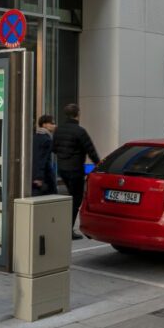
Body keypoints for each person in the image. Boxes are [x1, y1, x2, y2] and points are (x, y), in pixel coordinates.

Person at [53, 103, 100, 240]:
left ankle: (64, 226)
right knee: (76, 199)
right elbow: (90, 149)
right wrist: (98, 164)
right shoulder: (80, 131)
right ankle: (68, 229)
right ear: (77, 114)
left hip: (62, 169)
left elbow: (54, 148)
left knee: (69, 198)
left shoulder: (59, 130)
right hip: (75, 169)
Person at [32, 115, 57, 196]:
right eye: (52, 123)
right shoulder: (47, 140)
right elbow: (42, 159)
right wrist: (39, 177)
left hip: (34, 173)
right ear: (44, 125)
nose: (54, 125)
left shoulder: (34, 137)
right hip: (44, 176)